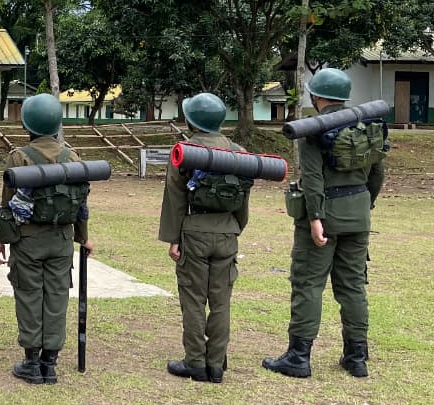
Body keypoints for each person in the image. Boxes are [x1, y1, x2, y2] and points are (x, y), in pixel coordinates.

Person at [264, 68, 387, 379]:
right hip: (359, 215)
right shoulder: (367, 124)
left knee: (308, 283)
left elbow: (313, 179)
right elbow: (377, 174)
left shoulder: (313, 129)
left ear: (316, 96)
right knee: (353, 287)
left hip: (323, 217)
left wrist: (316, 217)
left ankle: (298, 356)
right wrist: (363, 205)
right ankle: (356, 356)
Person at [0, 93, 93, 385]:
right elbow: (81, 203)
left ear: (28, 125)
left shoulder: (19, 157)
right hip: (62, 239)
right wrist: (83, 238)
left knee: (29, 295)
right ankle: (50, 363)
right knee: (57, 298)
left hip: (28, 240)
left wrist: (2, 238)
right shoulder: (72, 157)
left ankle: (31, 362)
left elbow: (8, 203)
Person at [157, 93, 250, 384]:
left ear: (191, 119)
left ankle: (195, 362)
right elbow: (242, 200)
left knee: (194, 299)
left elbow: (175, 197)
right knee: (221, 300)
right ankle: (216, 364)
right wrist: (233, 228)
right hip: (228, 232)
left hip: (194, 231)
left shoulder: (185, 151)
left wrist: (174, 238)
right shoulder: (239, 152)